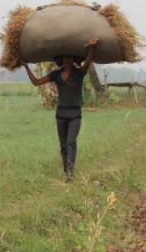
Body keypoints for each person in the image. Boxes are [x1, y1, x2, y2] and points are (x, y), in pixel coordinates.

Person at [21, 39, 98, 180]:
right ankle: (66, 172)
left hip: (75, 114)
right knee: (63, 145)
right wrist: (26, 66)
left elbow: (88, 61)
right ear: (61, 60)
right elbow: (36, 82)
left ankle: (70, 173)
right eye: (64, 57)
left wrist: (92, 48)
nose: (67, 59)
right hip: (61, 114)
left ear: (73, 59)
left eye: (69, 57)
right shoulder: (56, 74)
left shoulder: (80, 72)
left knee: (71, 141)